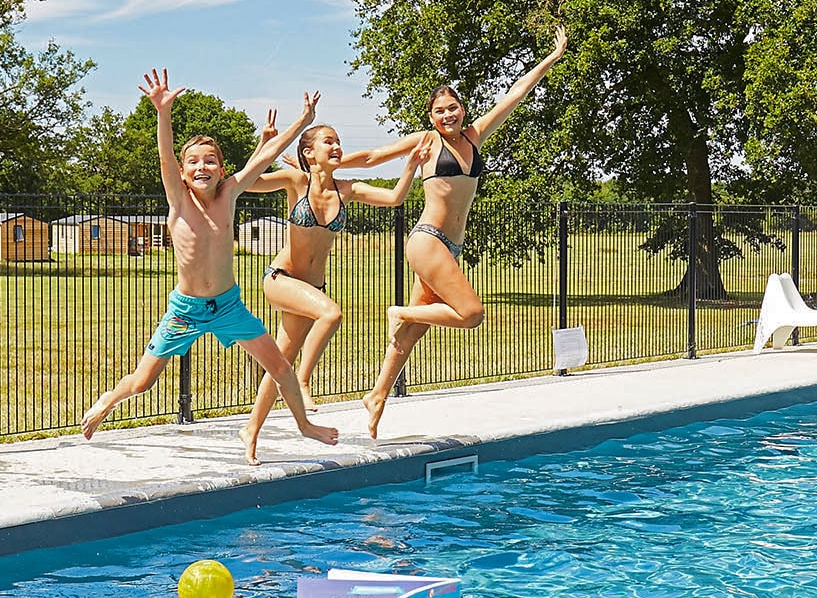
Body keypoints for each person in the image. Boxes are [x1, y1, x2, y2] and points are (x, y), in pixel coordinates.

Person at [79, 72, 340, 448]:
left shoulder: (229, 194)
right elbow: (165, 156)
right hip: (185, 310)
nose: (202, 167)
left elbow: (266, 157)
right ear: (183, 173)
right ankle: (108, 401)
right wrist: (163, 113)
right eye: (193, 162)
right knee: (143, 381)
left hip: (228, 306)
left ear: (222, 169)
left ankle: (304, 425)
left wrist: (302, 121)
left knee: (281, 367)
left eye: (210, 161)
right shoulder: (178, 198)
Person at [363, 27, 572, 437]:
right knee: (471, 314)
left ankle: (378, 394)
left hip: (450, 246)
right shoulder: (426, 142)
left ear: (462, 109)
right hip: (427, 239)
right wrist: (323, 165)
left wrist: (551, 57)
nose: (448, 115)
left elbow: (515, 94)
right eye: (440, 111)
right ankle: (398, 311)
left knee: (413, 332)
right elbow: (372, 156)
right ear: (431, 117)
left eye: (453, 108)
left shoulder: (475, 137)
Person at [239, 115, 423, 464]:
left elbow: (395, 198)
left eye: (338, 141)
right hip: (281, 278)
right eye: (329, 141)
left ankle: (251, 430)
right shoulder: (296, 181)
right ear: (309, 153)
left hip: (311, 286)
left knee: (279, 363)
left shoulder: (347, 190)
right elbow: (248, 182)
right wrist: (264, 143)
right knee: (331, 313)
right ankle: (303, 382)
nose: (337, 146)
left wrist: (411, 165)